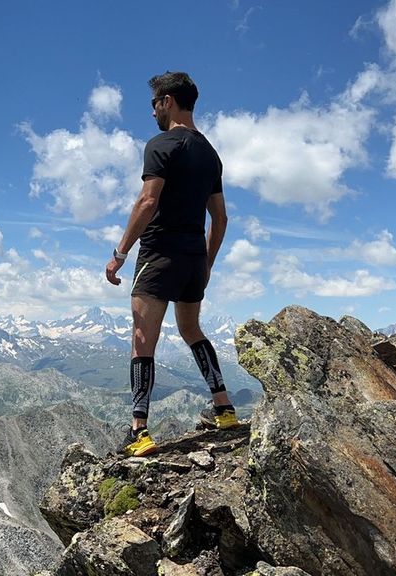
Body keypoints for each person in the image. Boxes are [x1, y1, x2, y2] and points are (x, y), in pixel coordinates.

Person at [105, 71, 238, 458]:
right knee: (191, 328)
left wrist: (120, 253)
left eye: (154, 104)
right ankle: (225, 409)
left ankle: (139, 431)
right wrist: (207, 263)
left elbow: (148, 201)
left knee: (142, 338)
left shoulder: (160, 144)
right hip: (194, 256)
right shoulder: (210, 154)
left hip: (159, 254)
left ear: (168, 102)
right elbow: (220, 218)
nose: (152, 112)